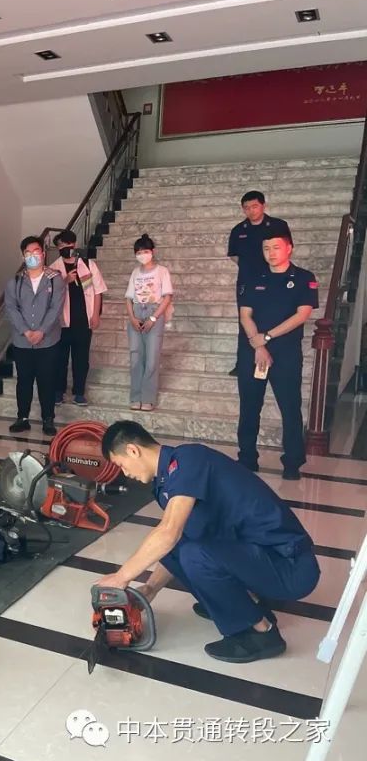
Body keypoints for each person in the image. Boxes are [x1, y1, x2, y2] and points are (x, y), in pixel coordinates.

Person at [97, 420, 320, 663]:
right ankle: (232, 602)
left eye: (121, 465)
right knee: (182, 547)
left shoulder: (189, 460)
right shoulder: (166, 481)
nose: (125, 473)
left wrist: (122, 576)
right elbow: (175, 541)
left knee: (195, 554)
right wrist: (150, 589)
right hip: (258, 556)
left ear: (133, 450)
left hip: (290, 565)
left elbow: (169, 532)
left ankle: (262, 632)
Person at [237, 235, 317, 480]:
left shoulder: (303, 278)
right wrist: (258, 344)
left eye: (276, 247)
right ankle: (247, 458)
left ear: (289, 248)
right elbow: (245, 315)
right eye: (266, 248)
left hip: (286, 353)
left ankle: (292, 462)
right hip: (253, 351)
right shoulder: (253, 278)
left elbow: (302, 315)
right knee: (249, 407)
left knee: (290, 408)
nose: (271, 253)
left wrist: (268, 337)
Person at [3, 237, 64, 435]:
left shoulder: (55, 279)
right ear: (23, 256)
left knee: (47, 380)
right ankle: (22, 418)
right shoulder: (15, 281)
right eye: (28, 253)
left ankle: (48, 419)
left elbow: (56, 308)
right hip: (22, 341)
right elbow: (11, 308)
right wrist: (26, 331)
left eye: (36, 251)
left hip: (48, 340)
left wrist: (41, 331)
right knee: (24, 380)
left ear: (43, 254)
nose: (32, 256)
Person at [227, 191, 292, 377]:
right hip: (247, 281)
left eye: (255, 206)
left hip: (275, 279)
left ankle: (275, 359)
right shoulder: (238, 230)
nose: (251, 211)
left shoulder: (278, 225)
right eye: (246, 208)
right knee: (245, 320)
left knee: (274, 316)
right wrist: (250, 269)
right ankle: (243, 363)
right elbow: (234, 256)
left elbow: (286, 250)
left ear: (263, 205)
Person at [49, 230, 106, 406]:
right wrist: (65, 280)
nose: (65, 248)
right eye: (61, 245)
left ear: (74, 244)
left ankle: (79, 392)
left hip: (83, 319)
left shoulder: (88, 265)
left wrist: (95, 314)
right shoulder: (53, 269)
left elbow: (98, 291)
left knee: (81, 358)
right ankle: (58, 391)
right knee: (60, 358)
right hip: (61, 322)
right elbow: (48, 294)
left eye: (68, 244)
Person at [124, 234, 174, 412]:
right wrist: (132, 318)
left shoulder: (162, 271)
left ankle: (148, 398)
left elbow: (167, 297)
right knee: (136, 357)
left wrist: (154, 318)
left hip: (155, 311)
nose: (142, 255)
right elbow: (129, 298)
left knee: (152, 359)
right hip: (137, 311)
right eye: (138, 252)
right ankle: (135, 396)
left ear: (152, 252)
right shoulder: (135, 272)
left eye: (145, 251)